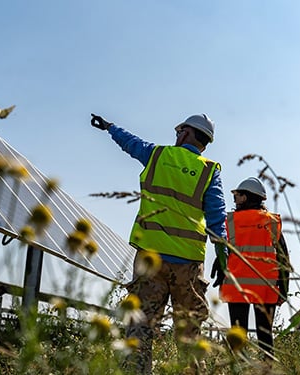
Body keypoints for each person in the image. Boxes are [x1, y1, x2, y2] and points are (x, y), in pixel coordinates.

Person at [90, 113, 227, 374]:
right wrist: (223, 258)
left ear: (186, 133)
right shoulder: (209, 171)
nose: (176, 134)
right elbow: (217, 219)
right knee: (189, 335)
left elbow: (131, 143)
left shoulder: (157, 155)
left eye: (179, 130)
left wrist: (110, 127)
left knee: (139, 330)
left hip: (150, 261)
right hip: (188, 266)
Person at [211, 177, 291, 358]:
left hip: (237, 286)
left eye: (237, 195)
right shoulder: (271, 222)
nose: (235, 199)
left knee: (238, 337)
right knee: (266, 338)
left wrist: (220, 267)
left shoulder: (230, 221)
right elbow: (283, 258)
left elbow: (224, 250)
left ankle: (237, 370)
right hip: (266, 288)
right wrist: (284, 290)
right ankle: (267, 370)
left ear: (246, 197)